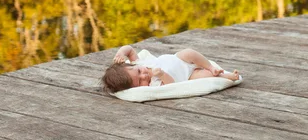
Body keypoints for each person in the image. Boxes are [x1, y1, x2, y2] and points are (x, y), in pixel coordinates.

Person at [101, 45, 240, 93]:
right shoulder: (153, 84)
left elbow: (130, 49)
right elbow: (171, 85)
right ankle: (227, 77)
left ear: (133, 65)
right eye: (139, 82)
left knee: (188, 52)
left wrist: (121, 53)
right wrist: (161, 75)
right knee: (205, 76)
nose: (144, 76)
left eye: (139, 72)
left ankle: (210, 66)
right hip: (188, 75)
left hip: (179, 59)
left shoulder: (139, 62)